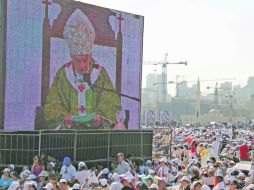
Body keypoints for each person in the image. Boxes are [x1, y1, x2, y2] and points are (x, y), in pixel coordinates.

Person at [44, 9, 121, 129]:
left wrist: (100, 118)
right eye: (77, 60)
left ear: (90, 56)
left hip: (96, 135)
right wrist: (65, 119)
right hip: (69, 136)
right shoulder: (62, 74)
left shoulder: (100, 73)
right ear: (71, 56)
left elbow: (110, 101)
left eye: (85, 60)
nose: (82, 66)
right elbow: (53, 104)